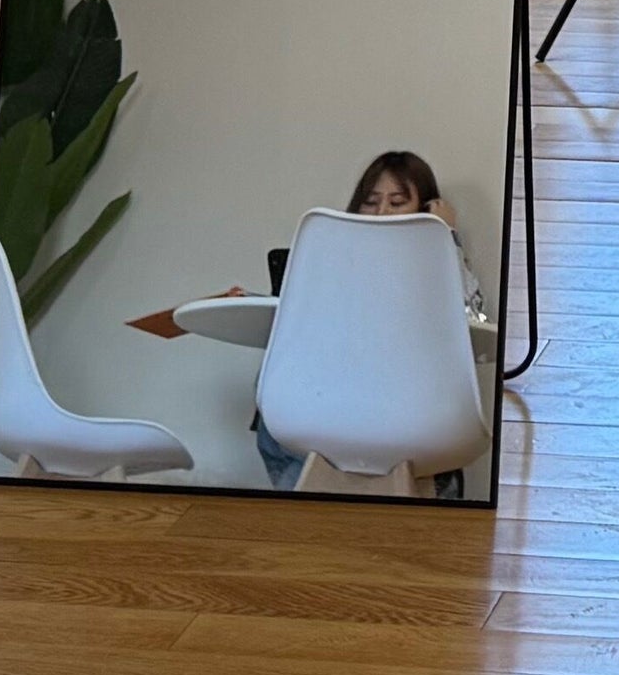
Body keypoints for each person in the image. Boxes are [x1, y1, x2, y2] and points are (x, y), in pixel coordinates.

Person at [132, 148, 481, 495]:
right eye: (371, 202)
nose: (381, 213)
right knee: (284, 369)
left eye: (397, 202)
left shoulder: (437, 267)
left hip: (409, 419)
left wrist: (444, 236)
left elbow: (468, 316)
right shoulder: (330, 259)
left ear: (424, 209)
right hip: (324, 415)